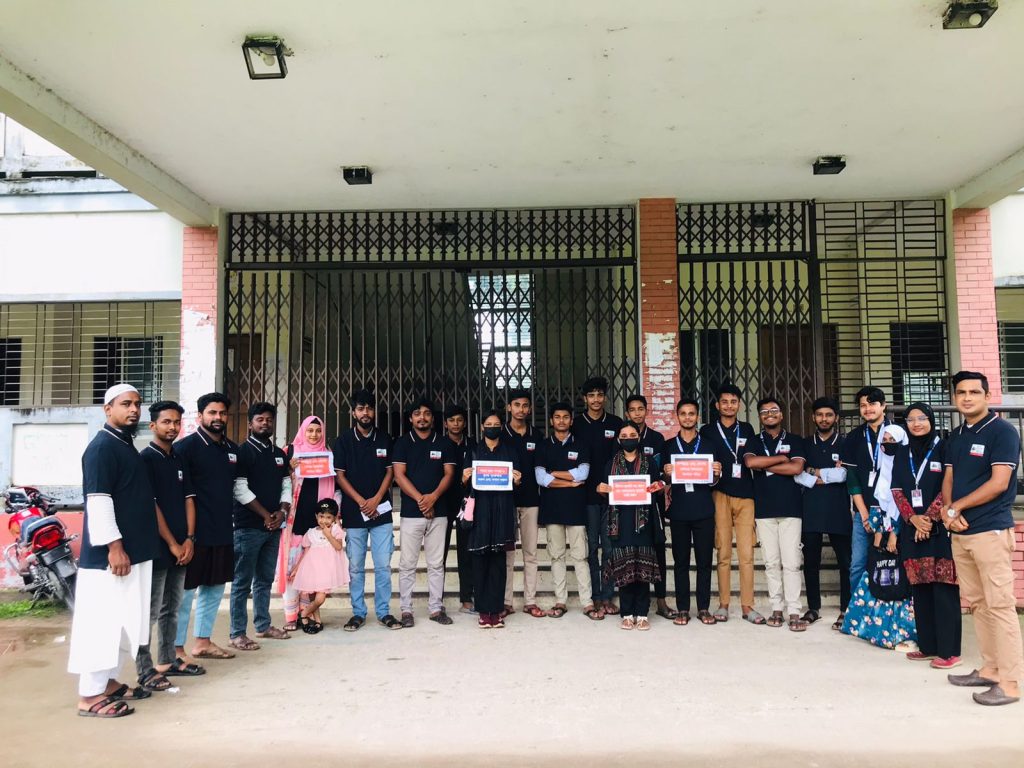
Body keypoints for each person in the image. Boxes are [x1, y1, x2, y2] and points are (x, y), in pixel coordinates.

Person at [69, 383, 159, 718]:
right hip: (110, 559)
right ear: (108, 409)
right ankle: (89, 695)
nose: (134, 409)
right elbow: (98, 501)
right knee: (102, 625)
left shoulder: (125, 444)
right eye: (125, 404)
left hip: (134, 554)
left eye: (137, 403)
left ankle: (107, 682)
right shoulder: (101, 448)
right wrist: (115, 547)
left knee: (125, 623)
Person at [942, 370, 1023, 706]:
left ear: (987, 396)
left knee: (1000, 606)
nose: (967, 398)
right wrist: (948, 511)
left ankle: (1011, 683)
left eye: (974, 392)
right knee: (978, 604)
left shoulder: (1003, 432)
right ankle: (990, 669)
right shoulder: (956, 435)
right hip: (961, 532)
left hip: (990, 530)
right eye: (961, 392)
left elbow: (999, 482)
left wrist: (956, 507)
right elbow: (949, 477)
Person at [135, 400, 201, 693]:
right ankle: (145, 669)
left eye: (176, 422)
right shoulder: (145, 460)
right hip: (158, 548)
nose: (172, 427)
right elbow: (151, 505)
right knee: (150, 612)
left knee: (172, 607)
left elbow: (189, 499)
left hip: (182, 547)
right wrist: (172, 543)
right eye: (166, 422)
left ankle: (167, 660)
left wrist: (189, 539)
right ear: (153, 426)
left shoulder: (178, 458)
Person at [889, 402, 961, 669]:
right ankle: (929, 646)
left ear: (930, 420)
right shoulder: (902, 452)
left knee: (944, 590)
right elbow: (896, 489)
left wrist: (929, 519)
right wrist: (913, 519)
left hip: (939, 529)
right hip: (913, 530)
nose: (916, 423)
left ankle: (950, 651)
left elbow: (949, 486)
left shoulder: (944, 447)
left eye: (921, 418)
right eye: (910, 419)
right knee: (920, 590)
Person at [174, 392, 240, 661]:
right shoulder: (184, 449)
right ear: (200, 415)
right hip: (193, 534)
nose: (218, 418)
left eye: (222, 413)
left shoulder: (232, 450)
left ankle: (202, 642)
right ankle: (175, 649)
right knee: (185, 593)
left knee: (214, 588)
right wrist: (184, 536)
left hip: (222, 530)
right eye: (212, 413)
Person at [841, 424, 917, 650]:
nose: (887, 443)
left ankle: (901, 633)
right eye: (884, 439)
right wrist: (877, 534)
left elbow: (902, 505)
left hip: (901, 531)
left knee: (900, 581)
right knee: (874, 576)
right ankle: (874, 628)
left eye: (893, 439)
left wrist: (894, 534)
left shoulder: (907, 468)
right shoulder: (882, 467)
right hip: (880, 529)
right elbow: (880, 503)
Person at [333, 389, 400, 631]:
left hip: (381, 512)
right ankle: (358, 613)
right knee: (356, 567)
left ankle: (383, 612)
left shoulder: (385, 438)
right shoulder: (342, 441)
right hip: (354, 513)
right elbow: (340, 476)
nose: (365, 413)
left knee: (383, 565)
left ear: (374, 411)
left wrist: (376, 499)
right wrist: (362, 501)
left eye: (369, 408)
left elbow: (390, 472)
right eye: (360, 408)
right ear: (353, 412)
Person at [229, 402, 292, 651]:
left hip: (273, 527)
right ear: (250, 423)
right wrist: (266, 515)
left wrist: (282, 512)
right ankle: (237, 633)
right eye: (260, 419)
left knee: (264, 580)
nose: (265, 423)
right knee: (242, 582)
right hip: (248, 527)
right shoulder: (242, 453)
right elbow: (239, 488)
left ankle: (263, 626)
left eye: (269, 419)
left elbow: (286, 484)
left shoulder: (279, 454)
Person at [743, 397, 808, 631]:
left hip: (791, 509)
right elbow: (750, 463)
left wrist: (765, 464)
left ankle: (794, 611)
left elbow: (796, 467)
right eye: (764, 412)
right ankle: (777, 609)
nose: (769, 414)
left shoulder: (795, 440)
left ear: (781, 414)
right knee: (771, 563)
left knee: (791, 563)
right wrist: (781, 458)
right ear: (760, 417)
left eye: (774, 410)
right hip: (764, 510)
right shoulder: (753, 440)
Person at [392, 395, 457, 627]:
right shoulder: (402, 443)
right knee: (407, 564)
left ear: (433, 418)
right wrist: (422, 500)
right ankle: (406, 610)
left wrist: (433, 498)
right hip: (411, 513)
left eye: (427, 413)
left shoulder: (444, 443)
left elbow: (449, 474)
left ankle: (436, 608)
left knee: (436, 564)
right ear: (411, 418)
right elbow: (399, 475)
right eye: (417, 413)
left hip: (439, 512)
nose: (422, 417)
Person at [597, 423, 667, 630]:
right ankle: (627, 613)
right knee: (625, 568)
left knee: (642, 569)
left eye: (632, 435)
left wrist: (659, 486)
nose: (629, 438)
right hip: (620, 522)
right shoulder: (611, 464)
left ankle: (642, 614)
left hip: (643, 522)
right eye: (624, 435)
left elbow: (658, 486)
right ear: (619, 440)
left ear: (639, 438)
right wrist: (601, 489)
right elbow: (605, 491)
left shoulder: (649, 462)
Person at [536, 401, 602, 620]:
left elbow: (583, 475)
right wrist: (569, 482)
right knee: (556, 556)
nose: (561, 421)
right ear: (551, 420)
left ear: (571, 420)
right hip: (552, 509)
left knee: (581, 556)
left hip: (576, 509)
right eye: (557, 417)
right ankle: (560, 600)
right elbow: (541, 478)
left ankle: (587, 602)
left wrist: (555, 474)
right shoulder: (543, 446)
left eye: (565, 417)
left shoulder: (581, 445)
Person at [699, 383, 757, 623]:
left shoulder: (748, 429)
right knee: (723, 552)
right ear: (717, 405)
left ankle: (747, 606)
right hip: (719, 494)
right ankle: (723, 604)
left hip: (746, 495)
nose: (729, 406)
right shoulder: (707, 431)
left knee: (746, 554)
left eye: (733, 402)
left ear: (739, 404)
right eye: (724, 402)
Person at [460, 409, 521, 628]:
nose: (492, 428)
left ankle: (496, 611)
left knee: (498, 563)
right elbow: (464, 483)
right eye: (489, 424)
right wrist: (464, 477)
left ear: (501, 427)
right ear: (482, 427)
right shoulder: (474, 451)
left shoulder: (510, 451)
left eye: (496, 425)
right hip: (480, 513)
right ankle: (483, 611)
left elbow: (517, 481)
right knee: (479, 562)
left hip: (502, 511)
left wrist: (517, 479)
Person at [795, 396, 851, 630]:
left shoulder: (846, 443)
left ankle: (846, 609)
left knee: (846, 562)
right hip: (811, 509)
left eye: (828, 415)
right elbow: (798, 474)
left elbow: (845, 475)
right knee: (811, 562)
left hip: (838, 509)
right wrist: (828, 475)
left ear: (836, 418)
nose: (824, 419)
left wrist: (815, 472)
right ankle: (813, 608)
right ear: (813, 418)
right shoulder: (805, 444)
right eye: (820, 415)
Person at [663, 398, 720, 626]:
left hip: (703, 509)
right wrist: (666, 474)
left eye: (691, 413)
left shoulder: (708, 445)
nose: (687, 418)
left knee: (704, 562)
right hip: (679, 511)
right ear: (677, 416)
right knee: (681, 563)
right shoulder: (668, 446)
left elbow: (714, 481)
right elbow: (663, 481)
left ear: (698, 416)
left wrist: (717, 473)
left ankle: (704, 608)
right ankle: (683, 609)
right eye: (683, 413)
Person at [572, 376, 623, 615]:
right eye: (591, 395)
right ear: (585, 398)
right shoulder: (576, 425)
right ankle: (593, 596)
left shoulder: (615, 423)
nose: (596, 399)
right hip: (585, 498)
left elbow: (619, 459)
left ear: (605, 397)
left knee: (610, 548)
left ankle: (608, 596)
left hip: (611, 497)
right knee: (591, 548)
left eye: (600, 395)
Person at [280, 415, 337, 632]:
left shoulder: (327, 454)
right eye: (310, 430)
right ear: (303, 431)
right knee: (291, 569)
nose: (314, 435)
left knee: (311, 569)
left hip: (316, 522)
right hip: (294, 520)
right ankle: (291, 616)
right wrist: (289, 469)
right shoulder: (290, 451)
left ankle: (308, 612)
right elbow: (277, 479)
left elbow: (333, 486)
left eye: (318, 430)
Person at [625, 394, 673, 619]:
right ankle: (632, 603)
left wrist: (661, 483)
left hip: (653, 506)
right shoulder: (624, 437)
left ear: (646, 411)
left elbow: (664, 473)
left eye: (640, 409)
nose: (637, 413)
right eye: (632, 409)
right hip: (628, 508)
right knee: (632, 552)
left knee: (658, 551)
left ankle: (661, 601)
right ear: (627, 413)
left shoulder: (656, 438)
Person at [841, 386, 890, 595]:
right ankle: (857, 610)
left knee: (890, 561)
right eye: (863, 405)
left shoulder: (897, 434)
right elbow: (852, 479)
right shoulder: (854, 437)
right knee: (857, 565)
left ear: (883, 405)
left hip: (892, 512)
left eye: (872, 404)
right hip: (864, 512)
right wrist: (863, 514)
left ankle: (887, 611)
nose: (867, 409)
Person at [504, 389, 544, 618]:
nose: (521, 409)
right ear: (509, 407)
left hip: (531, 501)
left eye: (525, 405)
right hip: (506, 501)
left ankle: (530, 601)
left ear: (530, 409)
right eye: (516, 405)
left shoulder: (536, 435)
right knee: (508, 554)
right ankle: (506, 602)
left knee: (531, 553)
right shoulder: (500, 433)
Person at [288, 498, 348, 633]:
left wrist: (328, 535)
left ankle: (304, 613)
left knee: (320, 599)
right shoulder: (311, 532)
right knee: (313, 596)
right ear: (316, 516)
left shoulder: (335, 529)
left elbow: (339, 547)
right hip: (312, 569)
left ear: (334, 518)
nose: (324, 520)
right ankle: (317, 621)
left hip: (326, 571)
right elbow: (306, 552)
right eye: (321, 516)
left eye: (328, 517)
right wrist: (297, 568)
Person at [442, 403, 476, 614]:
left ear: (465, 423)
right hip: (443, 503)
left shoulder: (473, 444)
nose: (456, 424)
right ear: (446, 423)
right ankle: (437, 601)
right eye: (451, 420)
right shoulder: (439, 443)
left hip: (467, 504)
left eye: (459, 420)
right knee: (440, 554)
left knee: (466, 552)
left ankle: (466, 600)